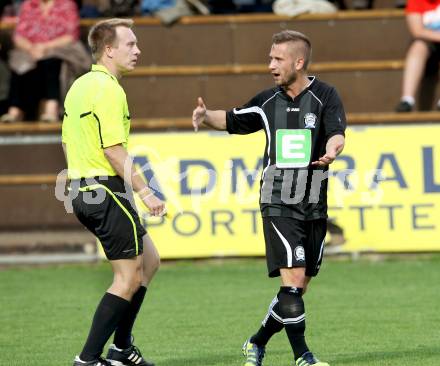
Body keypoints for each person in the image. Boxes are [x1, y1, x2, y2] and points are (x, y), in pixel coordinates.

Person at [192, 30, 346, 366]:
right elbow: (232, 119)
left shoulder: (325, 95)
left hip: (313, 200)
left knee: (298, 289)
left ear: (299, 62)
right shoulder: (267, 101)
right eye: (270, 58)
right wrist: (206, 117)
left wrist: (333, 150)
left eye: (278, 59)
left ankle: (256, 342)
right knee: (292, 281)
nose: (271, 65)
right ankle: (303, 356)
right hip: (277, 199)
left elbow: (337, 133)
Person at [62, 18, 165, 366]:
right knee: (127, 277)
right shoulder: (108, 89)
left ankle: (121, 348)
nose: (138, 50)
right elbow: (114, 150)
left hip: (84, 188)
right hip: (103, 189)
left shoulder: (81, 85)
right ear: (109, 50)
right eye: (130, 44)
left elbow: (67, 141)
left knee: (148, 261)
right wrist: (146, 191)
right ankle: (89, 359)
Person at [0, 0, 80, 123]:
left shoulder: (67, 5)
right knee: (18, 63)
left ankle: (51, 109)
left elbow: (70, 36)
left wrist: (44, 47)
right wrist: (31, 48)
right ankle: (14, 110)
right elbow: (18, 36)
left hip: (59, 50)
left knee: (50, 61)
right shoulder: (28, 5)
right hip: (30, 50)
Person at [395, 0, 440, 112]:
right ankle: (407, 100)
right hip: (427, 44)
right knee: (417, 46)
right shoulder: (416, 1)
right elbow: (417, 31)